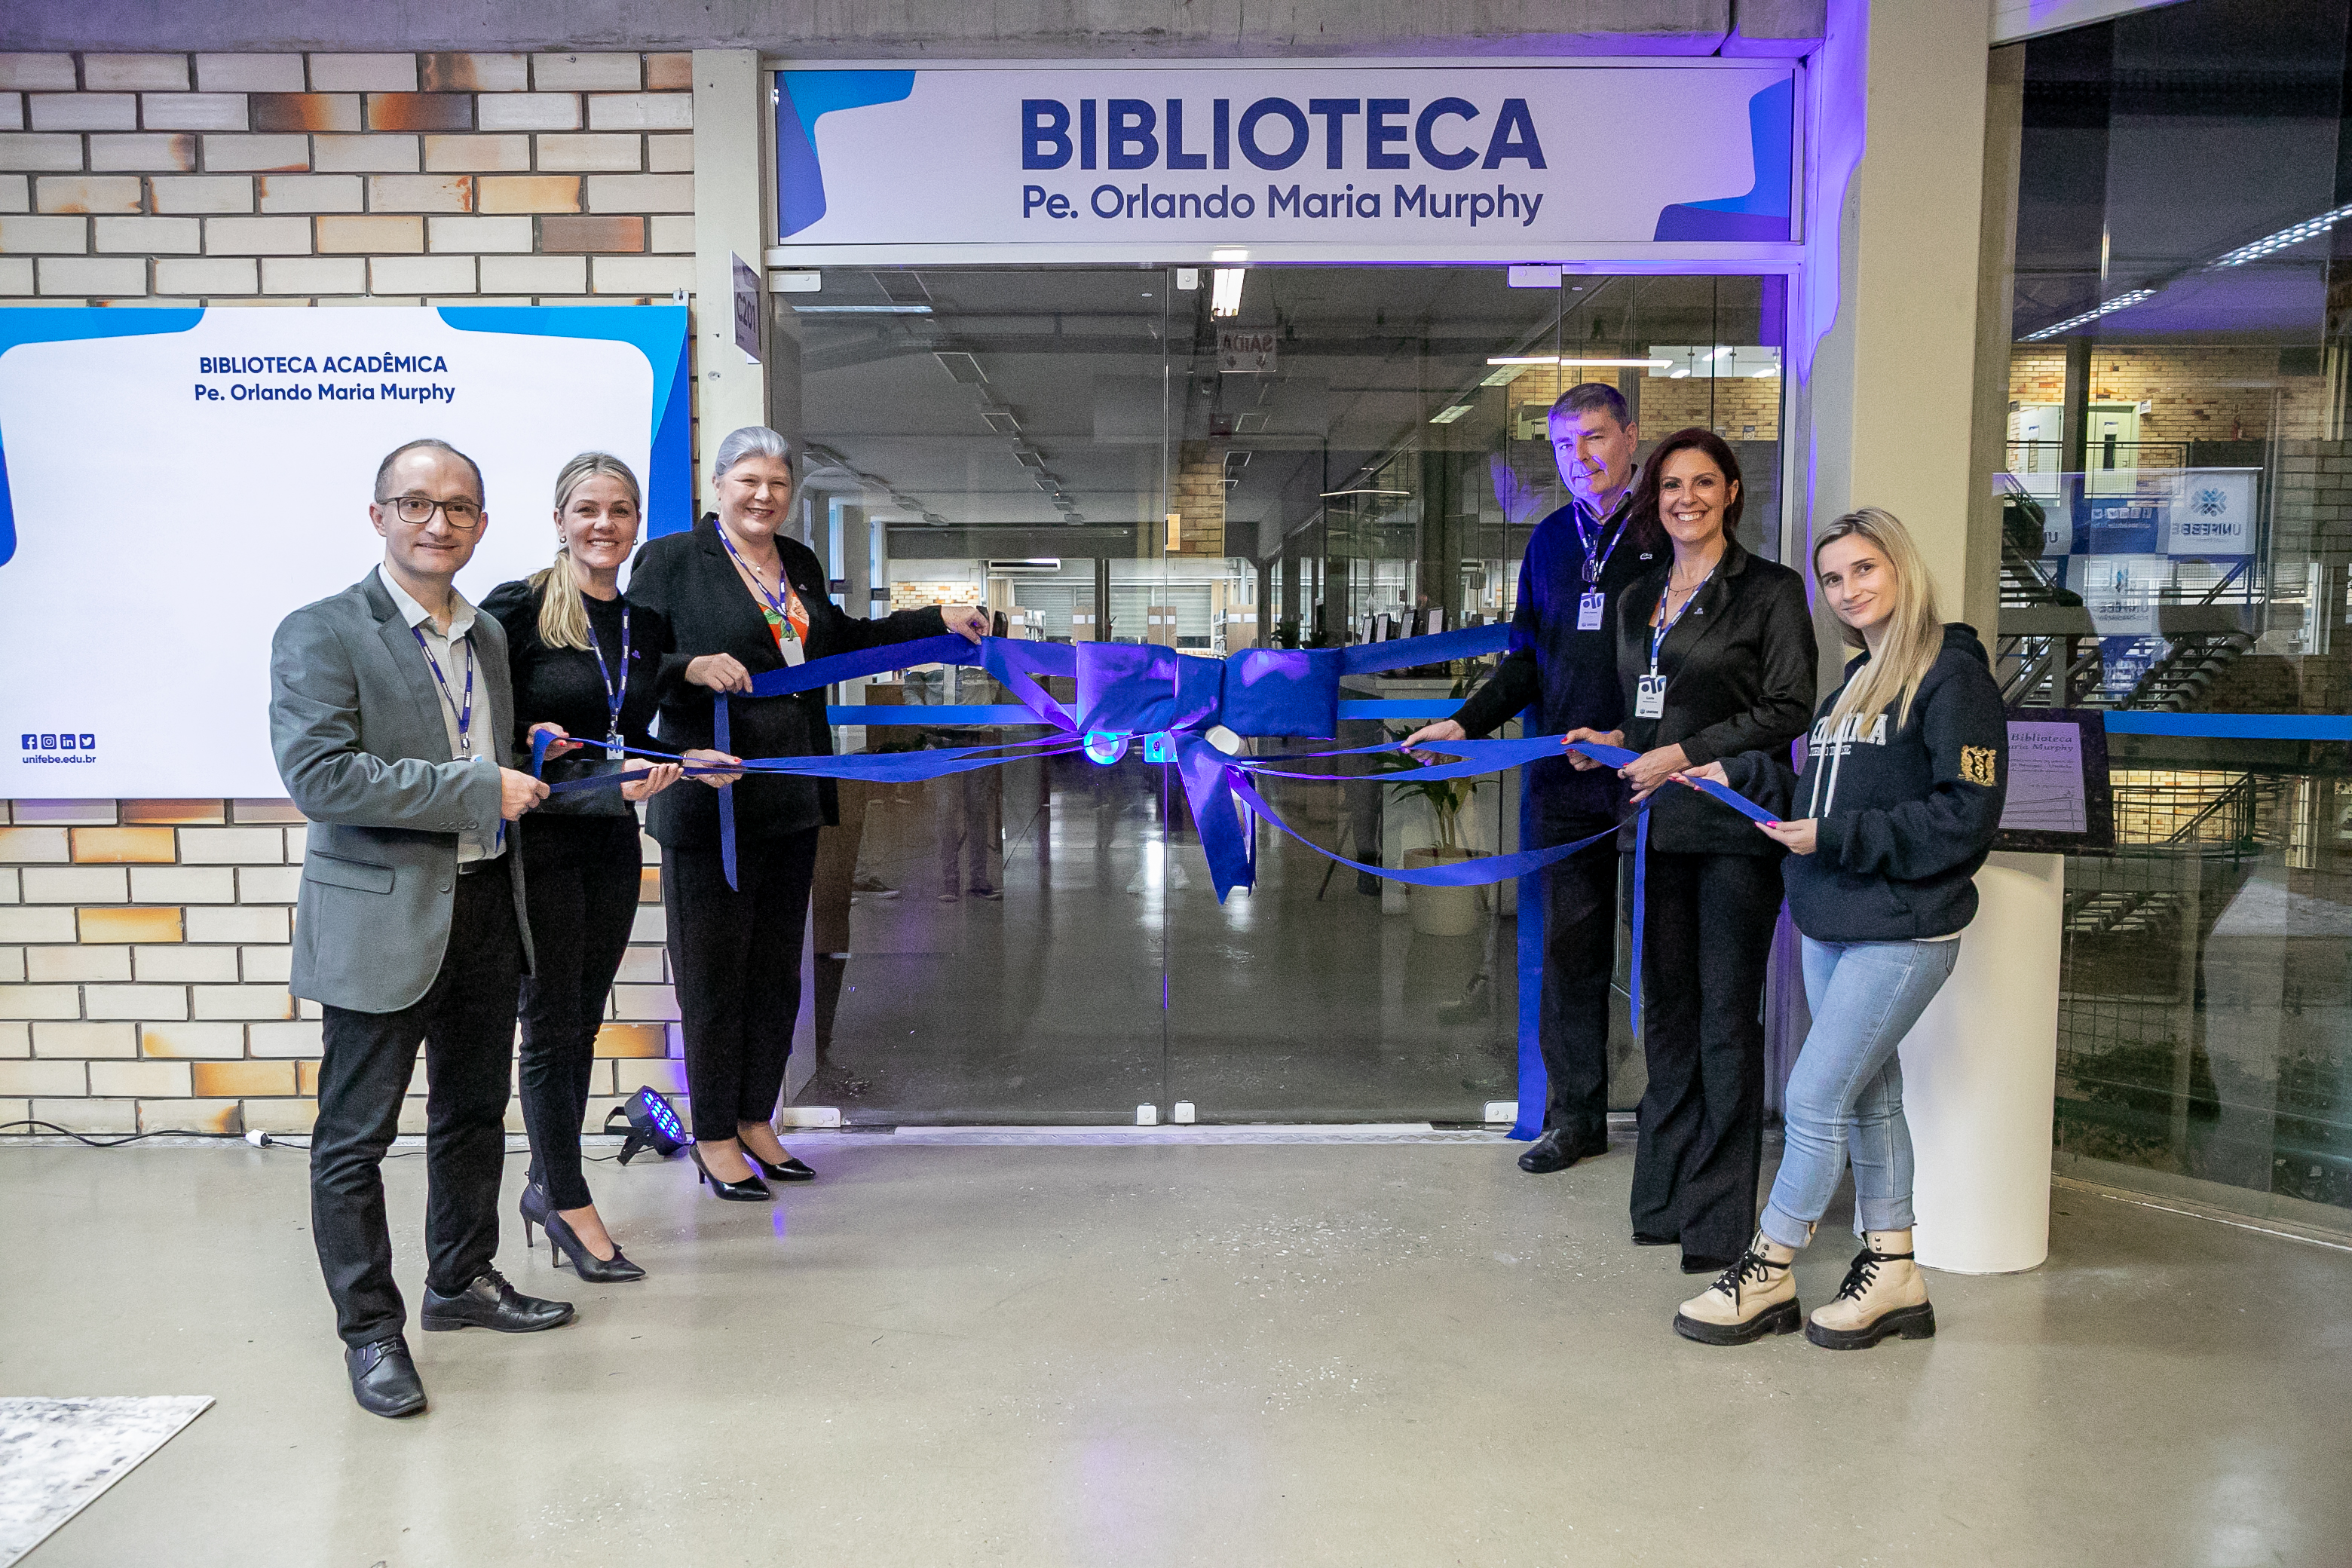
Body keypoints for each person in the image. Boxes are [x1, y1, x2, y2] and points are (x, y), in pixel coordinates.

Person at [269, 437, 569, 1420]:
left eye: (457, 507)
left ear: (481, 525)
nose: (436, 522)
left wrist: (565, 768)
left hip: (485, 906)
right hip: (380, 921)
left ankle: (460, 1281)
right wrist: (478, 785)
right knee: (355, 1141)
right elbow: (323, 779)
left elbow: (490, 765)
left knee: (473, 1117)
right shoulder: (320, 631)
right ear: (379, 517)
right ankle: (370, 1335)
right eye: (415, 504)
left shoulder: (484, 637)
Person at [1668, 507, 2007, 1349]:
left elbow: (1964, 817)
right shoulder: (1853, 682)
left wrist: (1838, 837)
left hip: (1900, 926)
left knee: (1815, 1096)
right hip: (1829, 916)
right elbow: (1818, 799)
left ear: (1901, 567)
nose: (1847, 589)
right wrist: (1738, 773)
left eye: (1863, 569)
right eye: (1832, 577)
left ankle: (1769, 1268)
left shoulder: (1951, 676)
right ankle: (1894, 1272)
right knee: (1871, 1098)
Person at [627, 427, 988, 1200]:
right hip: (714, 805)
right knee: (715, 977)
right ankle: (715, 1133)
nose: (764, 496)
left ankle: (758, 1120)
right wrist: (686, 667)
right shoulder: (670, 561)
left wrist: (933, 625)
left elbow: (841, 642)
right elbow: (629, 666)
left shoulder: (799, 564)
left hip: (791, 798)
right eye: (749, 480)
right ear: (718, 486)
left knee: (773, 977)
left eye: (778, 485)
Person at [1563, 427, 1815, 1274]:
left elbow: (1788, 707)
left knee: (1723, 1022)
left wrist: (1688, 750)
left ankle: (1717, 1221)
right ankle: (1663, 1200)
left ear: (1732, 493)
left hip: (1734, 833)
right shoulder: (1639, 597)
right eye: (1672, 485)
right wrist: (1615, 739)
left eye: (1705, 483)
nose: (1687, 499)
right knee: (1665, 1015)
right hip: (1661, 830)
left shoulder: (1770, 592)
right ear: (1654, 496)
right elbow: (1649, 711)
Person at [1405, 384, 1663, 1174]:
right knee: (1571, 955)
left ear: (1629, 435)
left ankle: (1673, 1117)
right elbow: (1528, 658)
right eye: (1561, 446)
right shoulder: (1551, 540)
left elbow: (1687, 662)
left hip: (1654, 774)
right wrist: (1467, 723)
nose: (1579, 459)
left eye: (1592, 438)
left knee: (1668, 952)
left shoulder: (1670, 532)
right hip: (1564, 780)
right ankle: (1576, 1115)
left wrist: (1634, 739)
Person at [482, 453, 702, 1282]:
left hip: (610, 837)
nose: (603, 524)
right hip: (539, 840)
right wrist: (539, 748)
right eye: (586, 509)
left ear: (637, 522)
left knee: (582, 1019)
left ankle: (549, 1181)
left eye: (619, 510)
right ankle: (568, 1197)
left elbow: (628, 729)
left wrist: (682, 759)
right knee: (551, 1024)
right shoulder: (523, 607)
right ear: (559, 520)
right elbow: (489, 729)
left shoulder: (646, 621)